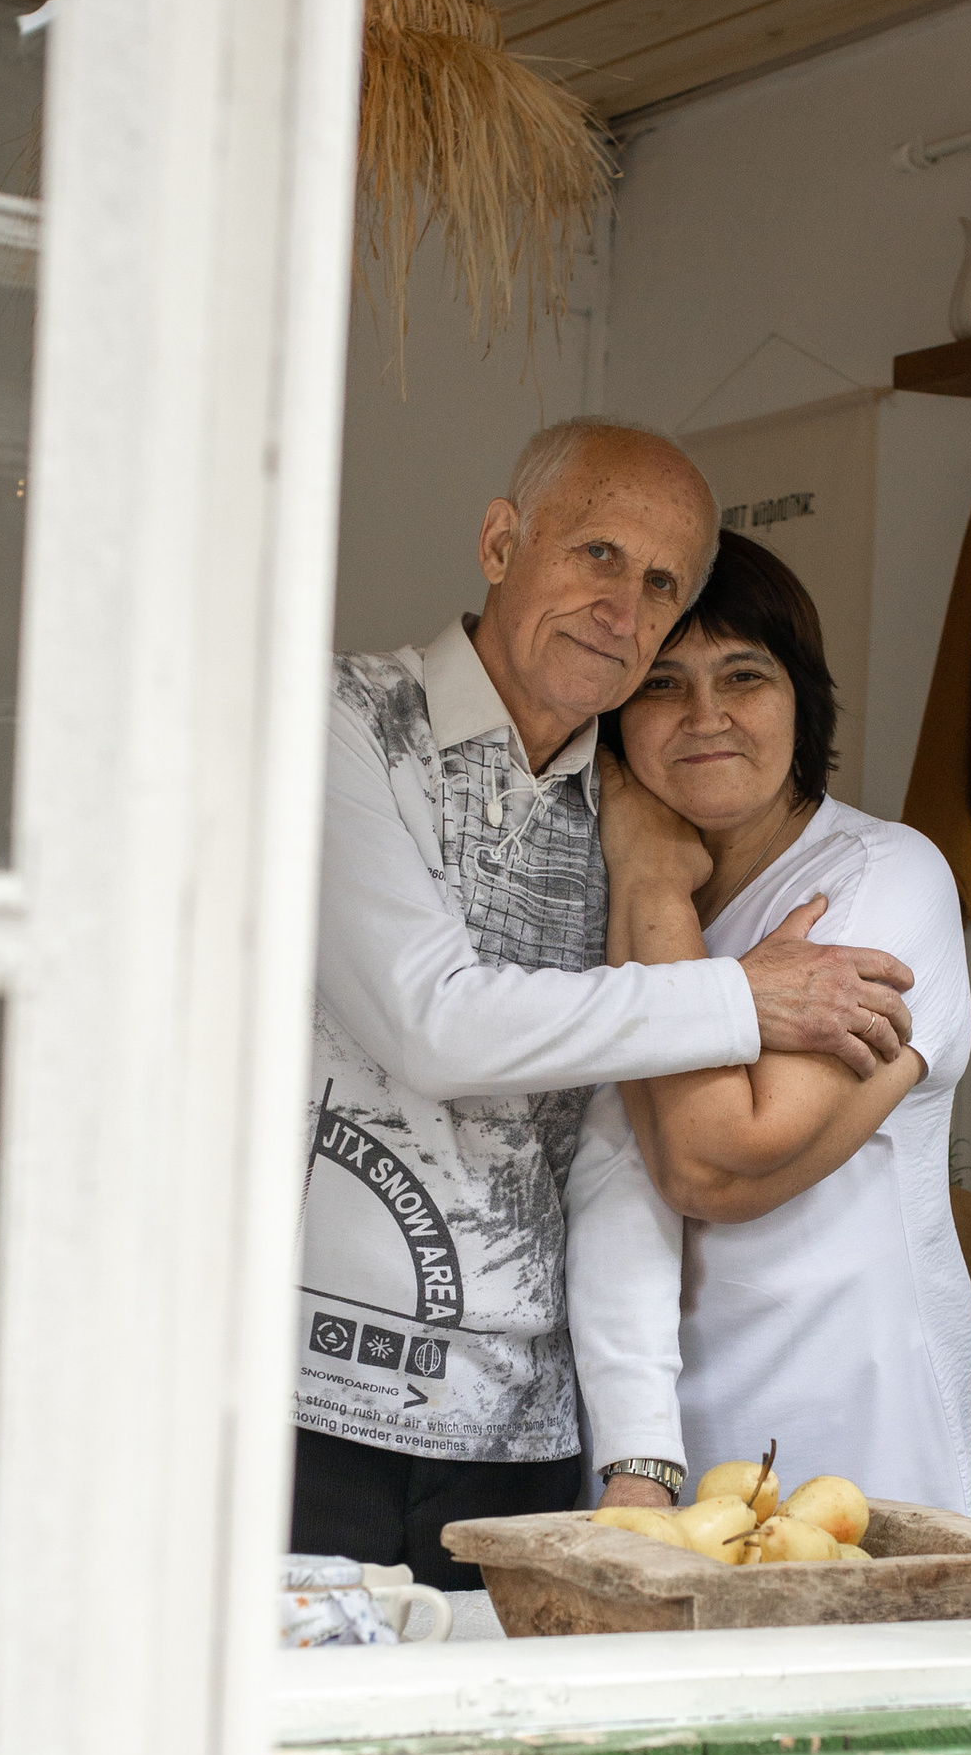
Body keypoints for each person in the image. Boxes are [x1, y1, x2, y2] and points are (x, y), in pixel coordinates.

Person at [297, 419, 919, 1586]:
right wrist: (738, 997)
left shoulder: (630, 822)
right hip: (291, 1409)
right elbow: (433, 1024)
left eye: (660, 585)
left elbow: (616, 1154)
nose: (621, 608)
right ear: (499, 543)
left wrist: (639, 1453)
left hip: (521, 1451)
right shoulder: (338, 724)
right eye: (595, 554)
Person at [570, 530, 971, 1515]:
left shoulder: (882, 877)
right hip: (645, 1449)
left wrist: (652, 878)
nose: (705, 716)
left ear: (802, 698)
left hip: (851, 1437)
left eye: (744, 675)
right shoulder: (595, 897)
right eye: (662, 683)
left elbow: (710, 1163)